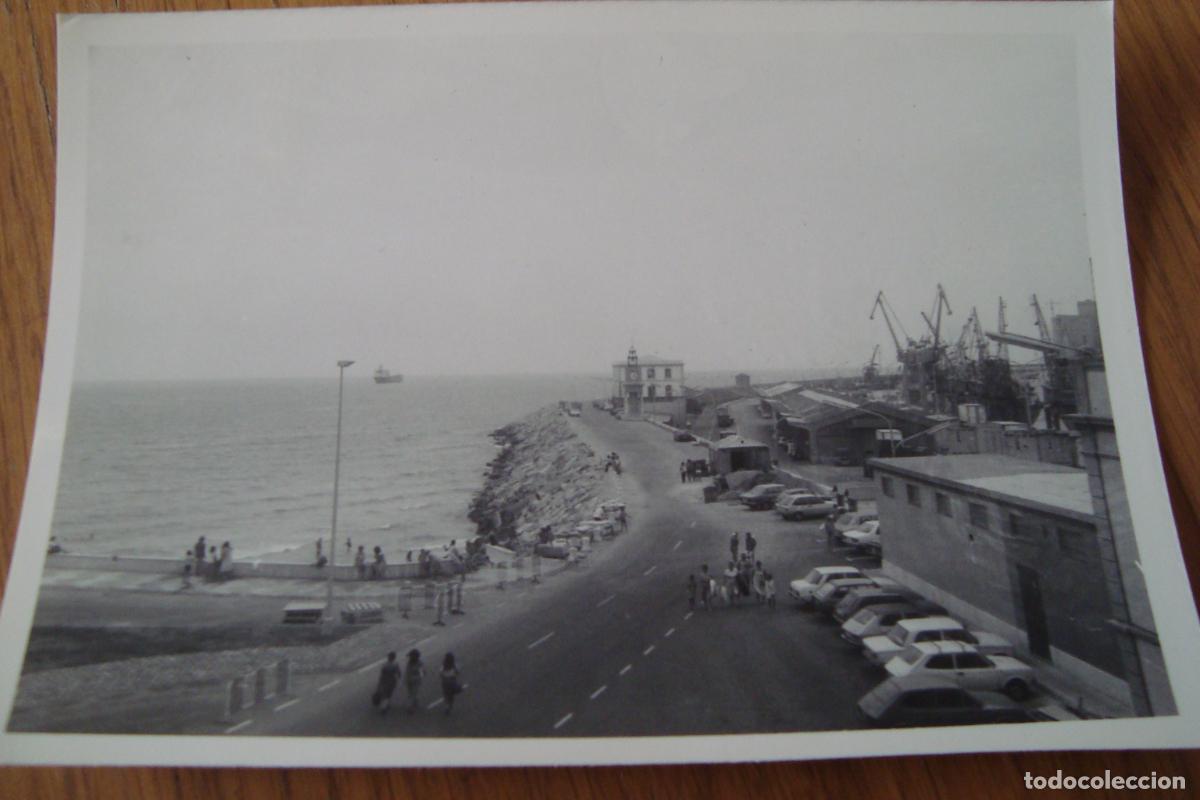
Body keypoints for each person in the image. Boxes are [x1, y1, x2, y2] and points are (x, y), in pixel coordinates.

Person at [404, 649, 425, 713]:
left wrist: (414, 678)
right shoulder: (414, 663)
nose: (410, 657)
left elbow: (421, 673)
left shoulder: (415, 663)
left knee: (411, 694)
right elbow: (421, 673)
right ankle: (413, 705)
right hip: (412, 680)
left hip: (412, 680)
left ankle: (412, 705)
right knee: (412, 693)